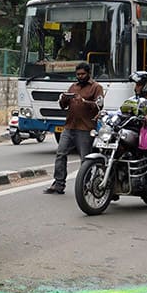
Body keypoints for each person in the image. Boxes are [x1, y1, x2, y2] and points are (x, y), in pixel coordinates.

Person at [43, 62, 103, 194]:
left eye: (82, 74)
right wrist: (63, 99)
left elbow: (99, 105)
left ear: (88, 74)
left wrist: (84, 101)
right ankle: (58, 184)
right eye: (78, 74)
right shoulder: (73, 87)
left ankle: (86, 185)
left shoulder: (96, 87)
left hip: (85, 128)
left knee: (85, 159)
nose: (80, 77)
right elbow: (63, 106)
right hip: (69, 126)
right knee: (61, 153)